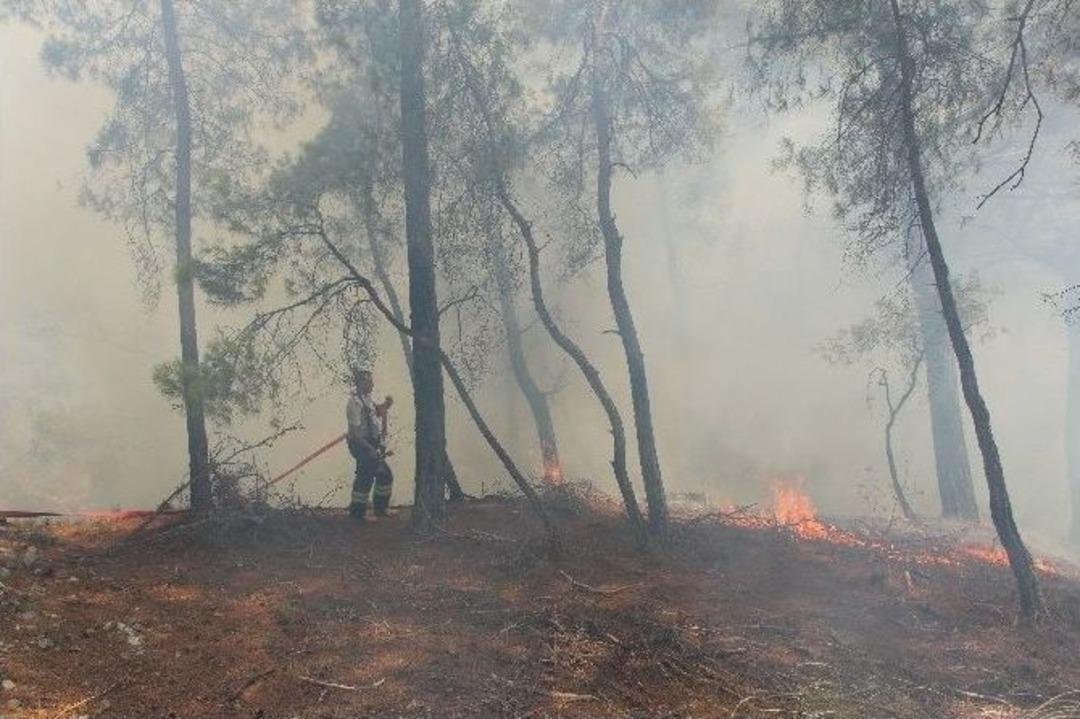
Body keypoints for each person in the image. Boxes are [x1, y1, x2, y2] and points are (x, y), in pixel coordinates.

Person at [346, 369, 394, 521]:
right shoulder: (354, 403)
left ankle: (381, 508)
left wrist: (385, 406)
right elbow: (354, 433)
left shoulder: (367, 399)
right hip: (361, 444)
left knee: (385, 475)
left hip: (372, 443)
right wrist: (370, 449)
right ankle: (357, 514)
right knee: (365, 476)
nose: (372, 384)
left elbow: (373, 415)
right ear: (361, 383)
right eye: (369, 382)